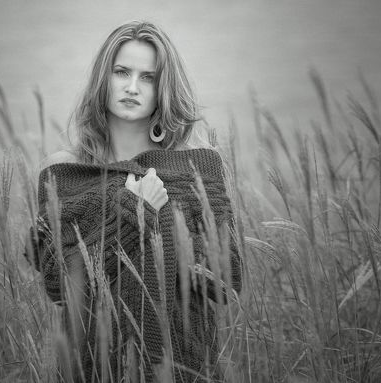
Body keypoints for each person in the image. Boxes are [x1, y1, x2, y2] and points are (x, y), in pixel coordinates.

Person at [25, 21, 242, 382]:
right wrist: (133, 212)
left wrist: (164, 230)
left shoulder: (200, 166)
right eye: (121, 72)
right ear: (103, 78)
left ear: (163, 88)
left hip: (183, 366)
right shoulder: (63, 171)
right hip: (94, 365)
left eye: (148, 77)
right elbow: (58, 282)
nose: (131, 87)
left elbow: (227, 278)